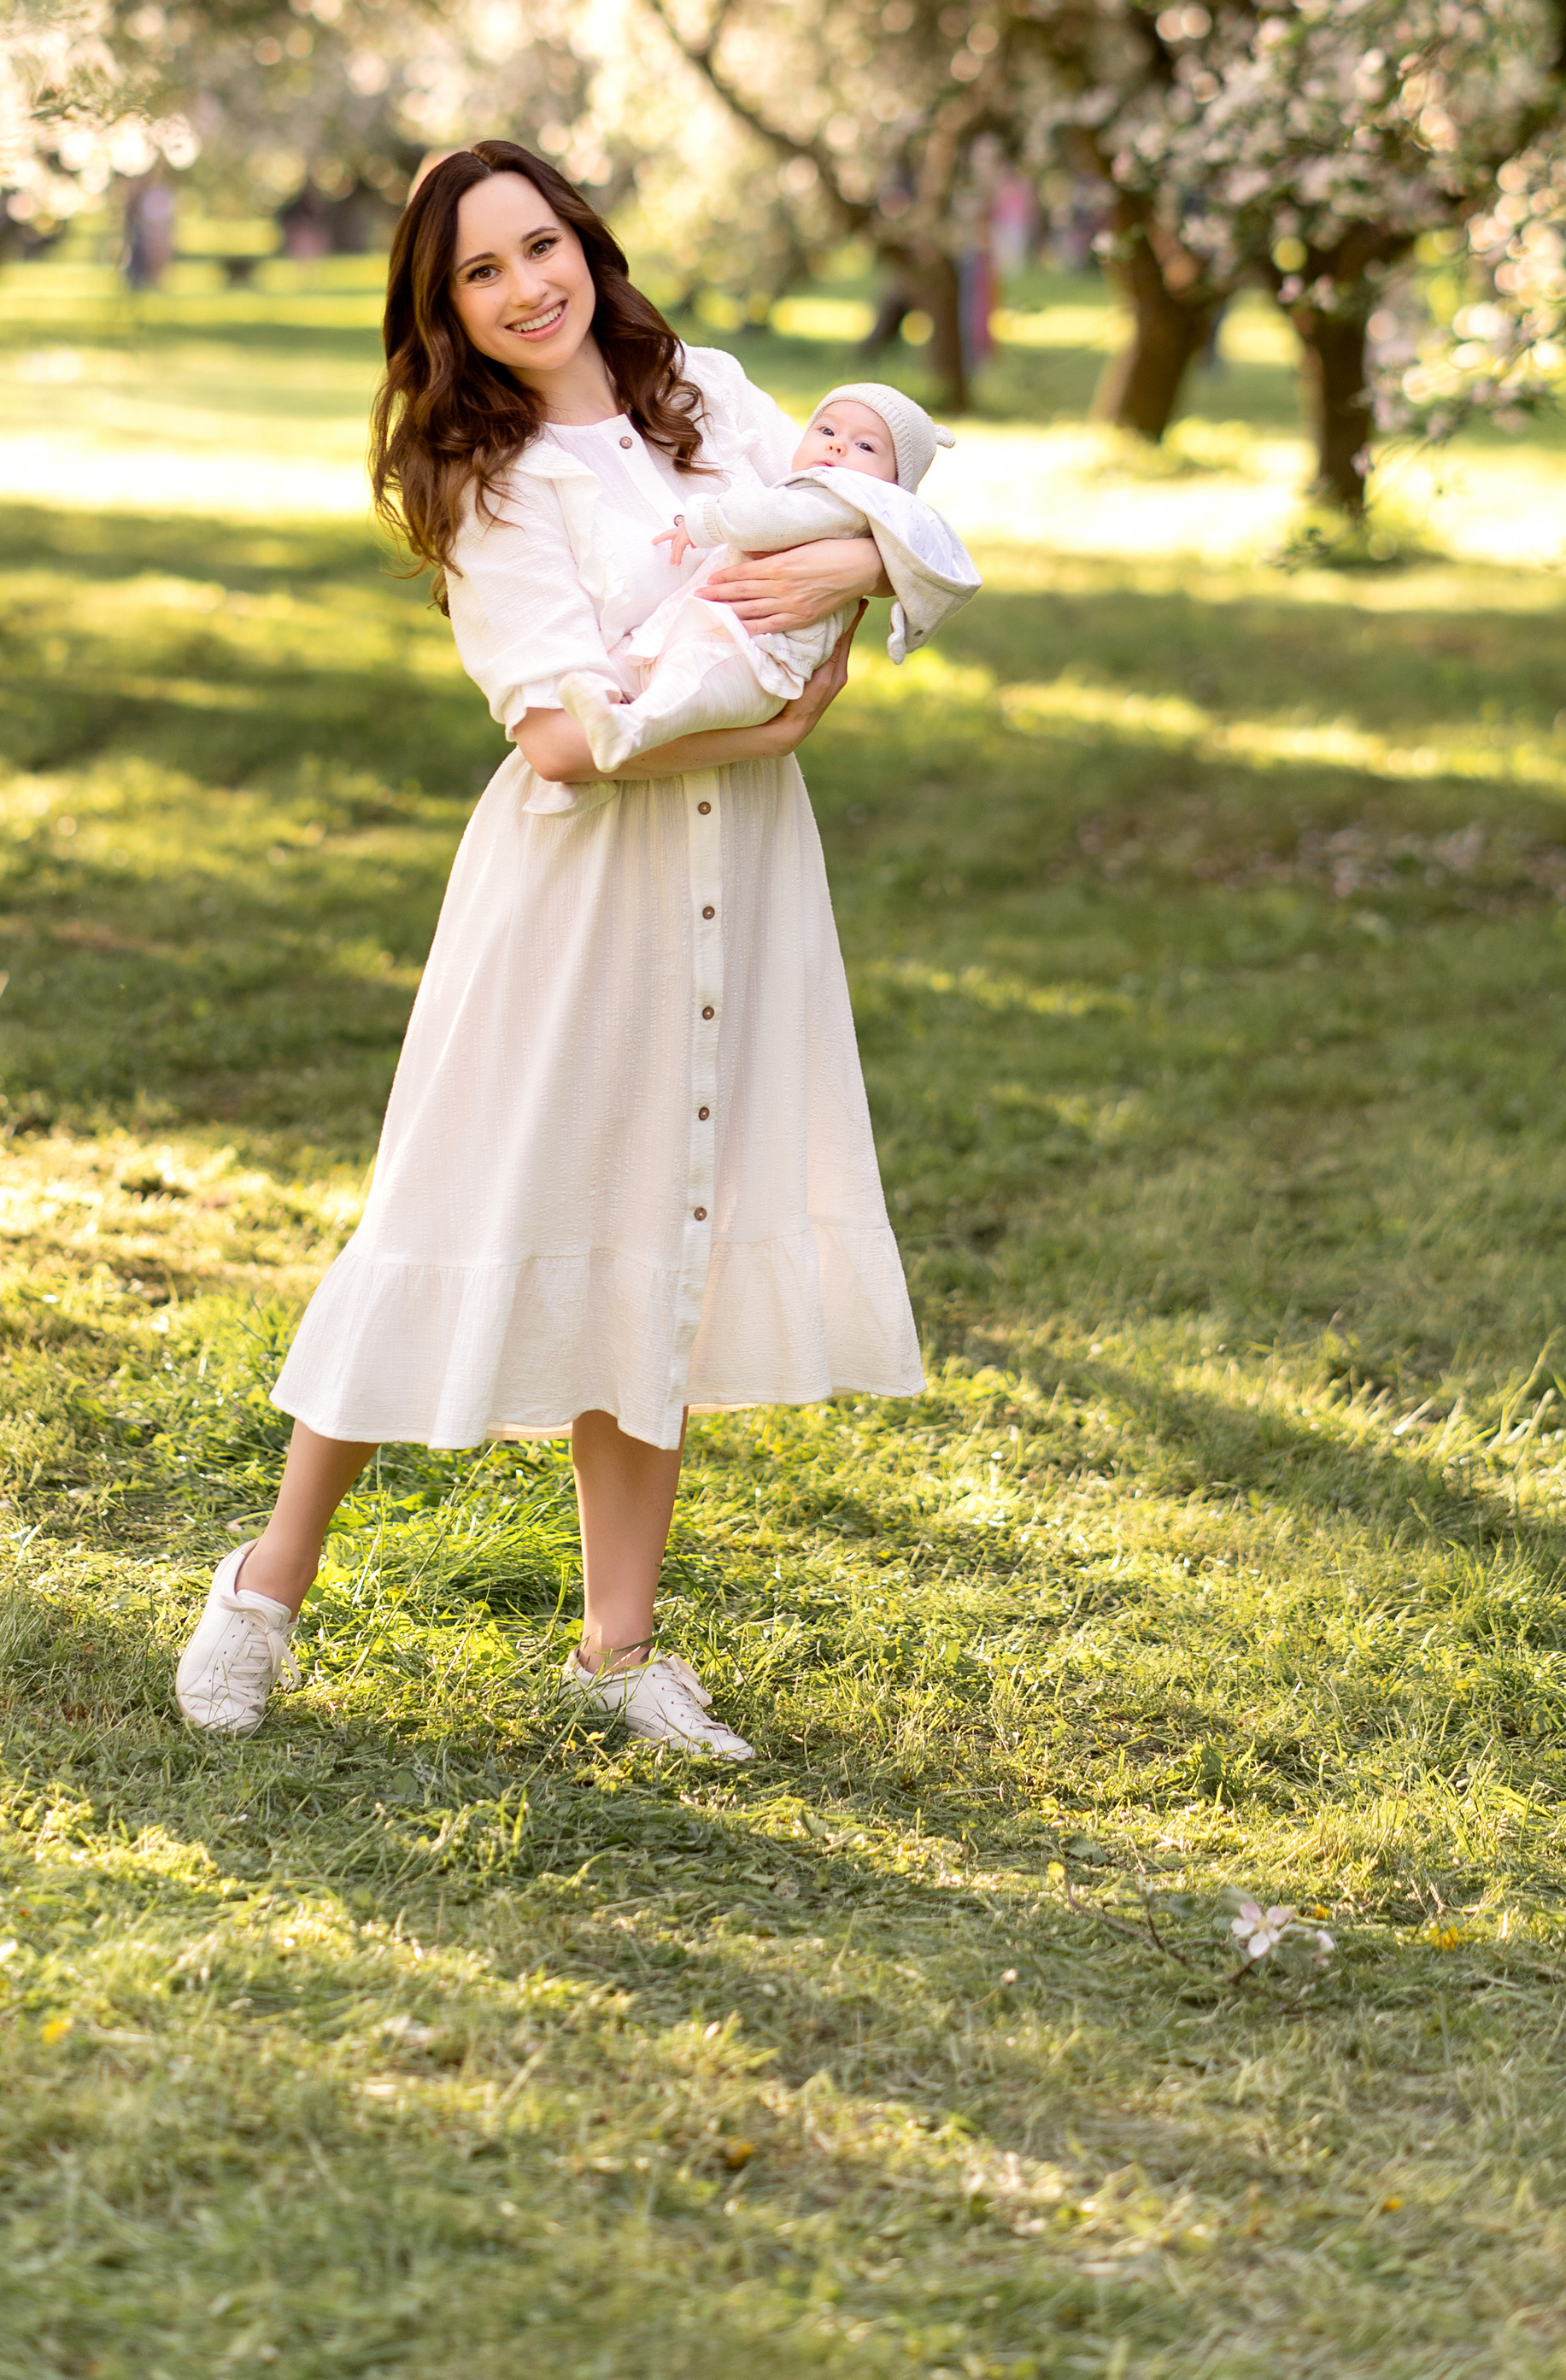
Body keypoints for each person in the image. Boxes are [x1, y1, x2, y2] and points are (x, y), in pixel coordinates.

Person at [173, 142, 924, 1758]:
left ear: (586, 240)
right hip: (577, 901)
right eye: (482, 273)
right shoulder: (487, 480)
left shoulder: (708, 395)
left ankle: (619, 1650)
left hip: (742, 878)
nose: (528, 288)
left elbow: (861, 519)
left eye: (540, 246)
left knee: (664, 1228)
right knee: (446, 1212)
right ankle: (263, 1586)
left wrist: (850, 582)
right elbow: (566, 736)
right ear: (443, 312)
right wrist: (778, 681)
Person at [559, 380, 980, 777]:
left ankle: (629, 729)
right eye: (827, 429)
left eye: (865, 446)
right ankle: (598, 731)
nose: (837, 444)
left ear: (894, 484)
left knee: (691, 673)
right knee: (640, 654)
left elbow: (774, 519)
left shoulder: (844, 499)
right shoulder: (819, 488)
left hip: (762, 657)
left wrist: (706, 520)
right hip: (733, 636)